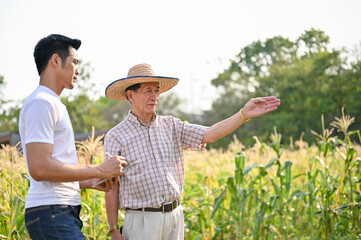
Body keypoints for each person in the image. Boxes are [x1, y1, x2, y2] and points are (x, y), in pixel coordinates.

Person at [103, 63, 281, 240]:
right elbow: (111, 187)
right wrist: (113, 229)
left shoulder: (172, 125)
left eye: (157, 91)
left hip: (174, 216)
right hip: (142, 221)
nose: (154, 96)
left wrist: (243, 114)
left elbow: (210, 134)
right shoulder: (116, 136)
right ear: (130, 95)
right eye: (148, 91)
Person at [19, 34, 127, 240]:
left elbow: (53, 171)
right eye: (75, 62)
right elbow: (39, 168)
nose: (78, 70)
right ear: (55, 60)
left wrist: (91, 180)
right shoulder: (42, 103)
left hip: (58, 212)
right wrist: (99, 168)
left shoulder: (53, 104)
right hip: (51, 212)